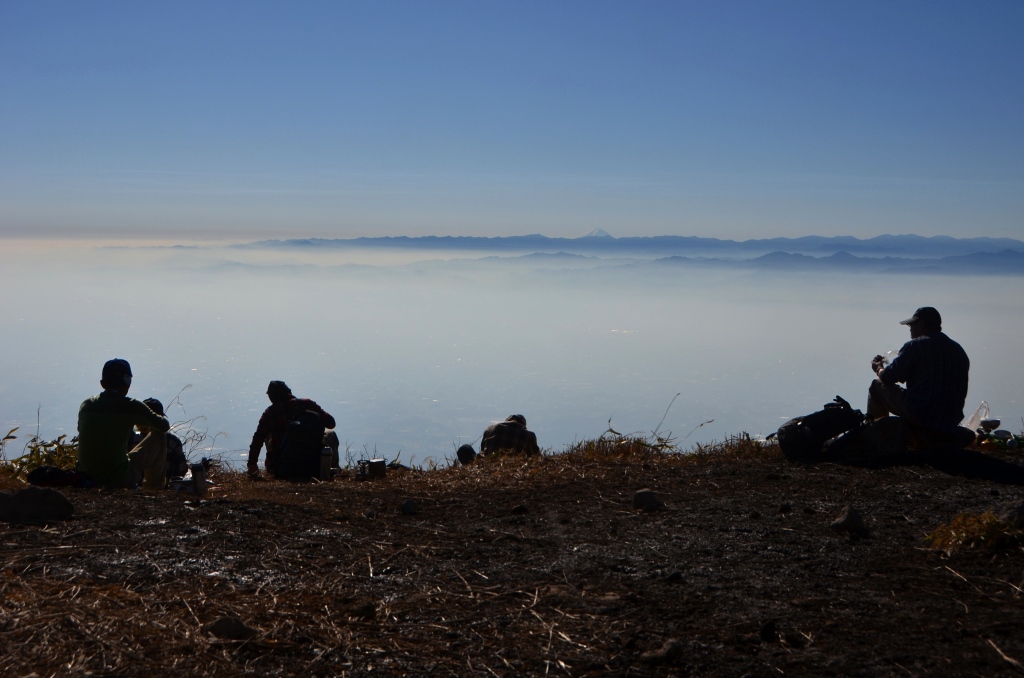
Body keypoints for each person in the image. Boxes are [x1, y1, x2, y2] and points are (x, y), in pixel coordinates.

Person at [867, 307, 970, 438]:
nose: (909, 328)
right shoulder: (958, 350)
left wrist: (878, 367)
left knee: (876, 385)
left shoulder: (915, 346)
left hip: (922, 412)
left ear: (921, 324)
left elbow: (888, 377)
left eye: (911, 324)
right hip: (951, 418)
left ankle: (877, 436)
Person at [76, 359, 170, 489]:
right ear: (127, 383)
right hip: (118, 478)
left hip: (85, 477)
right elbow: (164, 425)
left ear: (102, 384)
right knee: (161, 436)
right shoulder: (131, 406)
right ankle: (154, 489)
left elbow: (81, 429)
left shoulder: (86, 405)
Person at [247, 380, 336, 478]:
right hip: (314, 463)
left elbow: (257, 439)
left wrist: (252, 465)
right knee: (331, 434)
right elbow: (331, 423)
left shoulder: (270, 413)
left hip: (283, 468)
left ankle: (272, 468)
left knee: (268, 435)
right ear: (289, 392)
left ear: (271, 397)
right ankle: (332, 468)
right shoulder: (308, 404)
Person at [128, 398, 188, 482]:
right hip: (166, 489)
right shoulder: (173, 441)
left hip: (134, 487)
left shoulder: (130, 439)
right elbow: (182, 470)